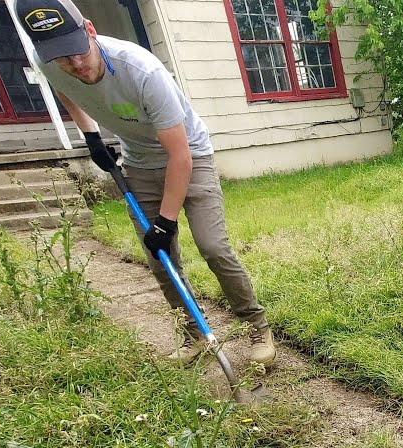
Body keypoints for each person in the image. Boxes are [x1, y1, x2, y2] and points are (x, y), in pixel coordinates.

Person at [15, 0, 276, 367]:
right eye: (62, 57)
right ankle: (194, 335)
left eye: (78, 51)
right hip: (138, 164)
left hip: (190, 156)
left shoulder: (141, 71)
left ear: (89, 30)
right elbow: (65, 91)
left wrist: (165, 222)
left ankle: (257, 327)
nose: (75, 64)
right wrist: (91, 137)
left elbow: (180, 157)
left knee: (213, 247)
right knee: (160, 259)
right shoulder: (49, 63)